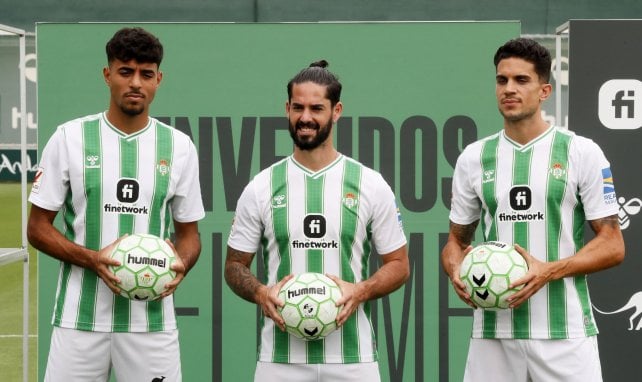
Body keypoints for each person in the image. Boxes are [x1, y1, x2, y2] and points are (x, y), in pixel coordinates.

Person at [441, 37, 625, 382]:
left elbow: (613, 244)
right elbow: (455, 243)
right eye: (502, 80)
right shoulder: (474, 157)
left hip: (565, 333)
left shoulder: (580, 152)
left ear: (544, 91)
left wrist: (547, 271)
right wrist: (456, 271)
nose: (509, 89)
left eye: (521, 80)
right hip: (493, 333)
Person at [27, 27, 205, 381]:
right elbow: (37, 228)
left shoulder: (179, 147)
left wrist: (178, 266)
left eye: (146, 74)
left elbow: (189, 234)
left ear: (159, 80)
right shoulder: (70, 138)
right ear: (107, 75)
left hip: (151, 324)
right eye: (126, 71)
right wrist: (93, 260)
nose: (136, 82)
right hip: (79, 319)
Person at [224, 60, 410, 382]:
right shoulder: (261, 187)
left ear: (336, 111)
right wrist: (259, 293)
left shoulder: (370, 183)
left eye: (316, 108)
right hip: (280, 360)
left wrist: (361, 290)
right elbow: (234, 265)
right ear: (287, 108)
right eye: (298, 107)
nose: (305, 118)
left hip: (353, 358)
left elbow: (399, 264)